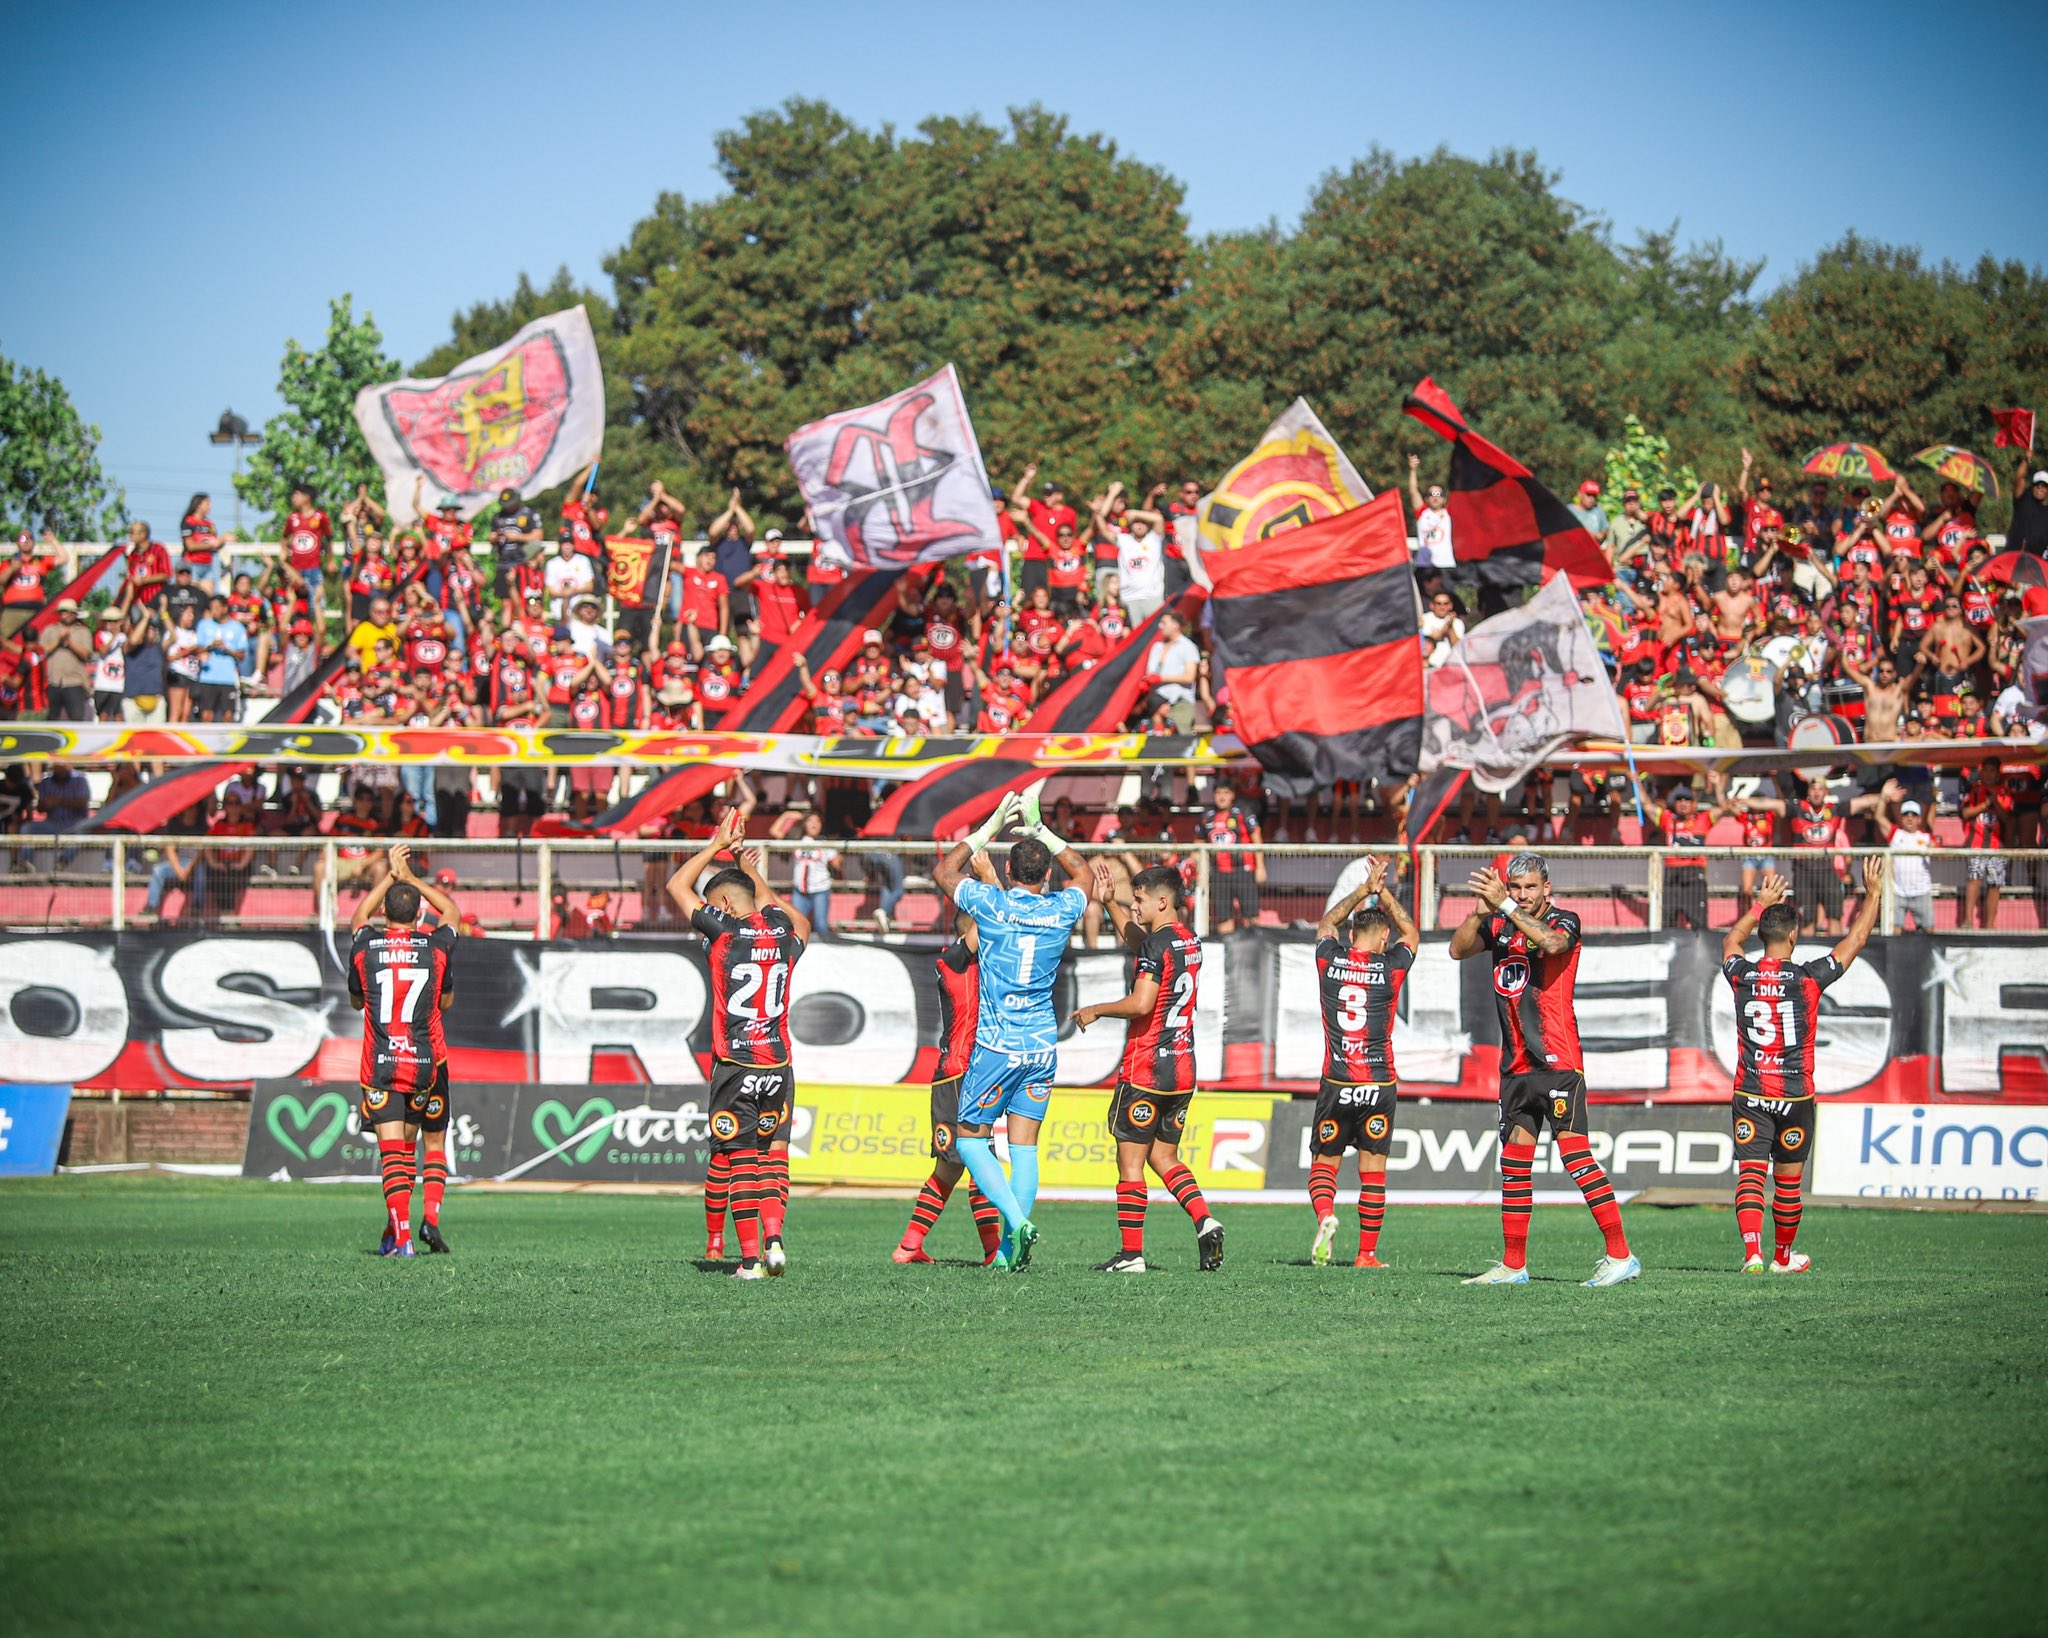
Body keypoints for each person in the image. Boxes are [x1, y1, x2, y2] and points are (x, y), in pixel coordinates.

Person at [1450, 853, 1638, 1287]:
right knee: (1514, 1166)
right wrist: (1479, 909)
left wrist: (1508, 909)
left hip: (1557, 1062)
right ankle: (1514, 1265)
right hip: (1516, 1066)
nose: (1522, 896)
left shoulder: (1564, 920)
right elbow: (1458, 949)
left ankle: (1621, 1255)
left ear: (1546, 888)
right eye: (1515, 889)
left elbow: (1553, 946)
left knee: (1576, 1158)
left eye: (1530, 888)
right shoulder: (1499, 923)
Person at [930, 783, 1098, 1271]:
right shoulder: (1061, 909)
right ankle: (1007, 1252)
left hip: (997, 1046)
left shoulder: (991, 904)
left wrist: (988, 828)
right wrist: (1041, 826)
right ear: (1046, 875)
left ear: (1006, 871)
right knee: (1024, 1147)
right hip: (1043, 1047)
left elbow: (944, 871)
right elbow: (1084, 873)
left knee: (969, 1140)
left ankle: (1016, 1224)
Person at [1719, 858, 1886, 1273]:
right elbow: (1858, 938)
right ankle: (1781, 1257)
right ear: (1793, 936)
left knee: (1751, 1176)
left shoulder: (1742, 974)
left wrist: (1757, 906)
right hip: (1795, 1096)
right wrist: (1874, 893)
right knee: (1789, 1184)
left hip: (1751, 1093)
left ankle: (1752, 1253)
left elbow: (1730, 942)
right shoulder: (1809, 978)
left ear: (1763, 934)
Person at [667, 809, 810, 1279]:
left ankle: (749, 1260)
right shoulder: (782, 930)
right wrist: (747, 866)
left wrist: (715, 845)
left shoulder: (726, 933)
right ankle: (774, 1241)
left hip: (736, 1064)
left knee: (741, 1160)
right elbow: (798, 921)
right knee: (774, 1155)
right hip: (779, 1065)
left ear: (722, 906)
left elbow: (675, 888)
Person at [1074, 863, 1224, 1274]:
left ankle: (1131, 1255)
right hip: (1182, 1068)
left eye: (1138, 900)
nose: (1133, 905)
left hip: (1145, 1069)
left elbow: (1141, 1004)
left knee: (1130, 1164)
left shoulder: (1157, 947)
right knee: (1165, 1157)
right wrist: (1109, 904)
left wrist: (1097, 1009)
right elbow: (1143, 942)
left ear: (1162, 901)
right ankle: (1205, 1220)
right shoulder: (1188, 940)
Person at [347, 845, 461, 1257]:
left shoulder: (367, 945)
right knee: (418, 1147)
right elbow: (453, 914)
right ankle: (406, 1229)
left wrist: (389, 880)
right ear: (419, 915)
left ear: (384, 914)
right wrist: (412, 879)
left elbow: (358, 918)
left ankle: (403, 1237)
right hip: (424, 1063)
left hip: (379, 1062)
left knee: (392, 1152)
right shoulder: (434, 948)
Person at [1306, 858, 1417, 1269]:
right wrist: (1382, 890)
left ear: (1352, 934)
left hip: (1337, 1080)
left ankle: (1326, 1216)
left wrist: (1361, 890)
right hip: (1380, 1084)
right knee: (1373, 1171)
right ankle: (1366, 1255)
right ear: (1384, 937)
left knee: (1324, 1164)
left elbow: (1325, 924)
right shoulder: (1391, 968)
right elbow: (1412, 933)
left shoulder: (1329, 960)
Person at [892, 897, 1006, 1267]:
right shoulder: (953, 961)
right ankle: (993, 1253)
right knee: (980, 1163)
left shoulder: (982, 965)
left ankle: (909, 1246)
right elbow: (978, 927)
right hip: (959, 1074)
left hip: (970, 1075)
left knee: (950, 1168)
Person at [1202, 780, 1265, 933]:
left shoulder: (1244, 812)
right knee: (1224, 916)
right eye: (1218, 793)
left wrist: (1261, 867)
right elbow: (1198, 843)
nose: (1222, 797)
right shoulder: (1207, 816)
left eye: (1226, 793)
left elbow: (1257, 838)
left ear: (1232, 795)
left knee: (1250, 916)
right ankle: (1227, 950)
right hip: (1219, 874)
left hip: (1244, 871)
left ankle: (1254, 950)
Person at [1881, 792, 1936, 931]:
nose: (1909, 818)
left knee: (1929, 931)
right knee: (1894, 931)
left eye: (1913, 815)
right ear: (1901, 818)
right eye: (1906, 814)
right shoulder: (1895, 834)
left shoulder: (1927, 838)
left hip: (1921, 891)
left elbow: (1941, 854)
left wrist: (1935, 848)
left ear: (1919, 819)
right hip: (1898, 892)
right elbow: (1878, 817)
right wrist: (1883, 796)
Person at [37, 599, 94, 721]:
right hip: (53, 681)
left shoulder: (83, 632)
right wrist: (58, 641)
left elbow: (86, 654)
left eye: (70, 612)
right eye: (64, 612)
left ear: (75, 614)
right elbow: (41, 652)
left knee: (76, 718)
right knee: (52, 718)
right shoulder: (50, 630)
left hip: (75, 682)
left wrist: (69, 642)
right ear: (59, 613)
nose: (67, 615)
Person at [1407, 456, 1454, 569]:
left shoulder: (1449, 513)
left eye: (1439, 495)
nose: (1435, 498)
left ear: (1444, 499)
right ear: (1426, 499)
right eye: (1431, 495)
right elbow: (1413, 491)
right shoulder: (1422, 513)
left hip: (1445, 564)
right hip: (1425, 564)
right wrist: (1413, 470)